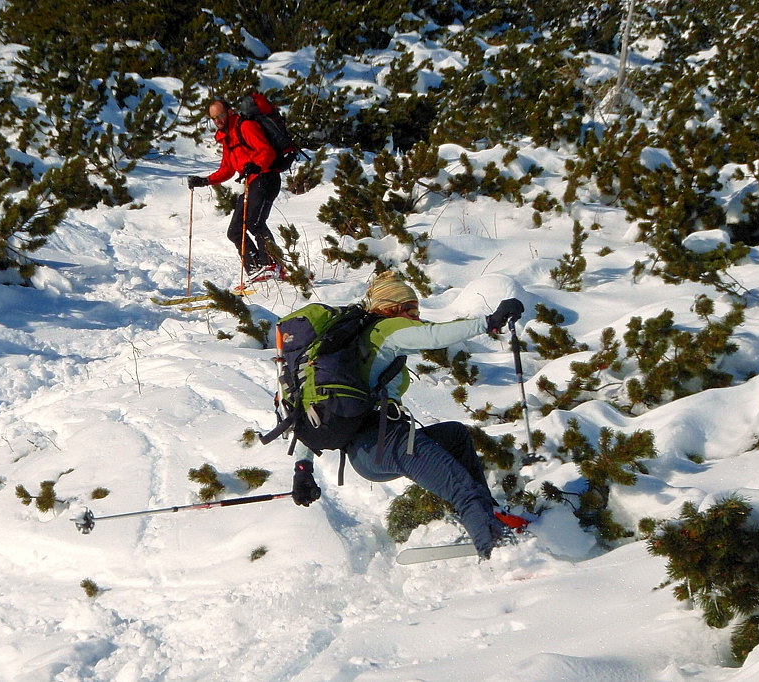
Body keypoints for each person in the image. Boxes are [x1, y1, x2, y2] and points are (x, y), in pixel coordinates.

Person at [290, 271, 526, 560]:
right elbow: (434, 335)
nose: (416, 317)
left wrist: (303, 468)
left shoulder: (357, 341)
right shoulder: (386, 328)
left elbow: (311, 409)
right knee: (461, 488)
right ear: (392, 308)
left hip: (369, 453)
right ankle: (499, 553)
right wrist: (489, 322)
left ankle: (487, 517)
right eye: (411, 310)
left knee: (455, 436)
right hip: (386, 442)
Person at [187, 99, 283, 280]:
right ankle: (256, 270)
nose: (218, 121)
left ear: (230, 112)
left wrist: (255, 166)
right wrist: (205, 181)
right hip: (253, 182)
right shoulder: (228, 137)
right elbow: (227, 169)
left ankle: (272, 265)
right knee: (235, 231)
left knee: (255, 223)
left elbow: (267, 152)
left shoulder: (245, 126)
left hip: (266, 178)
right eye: (214, 118)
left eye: (220, 115)